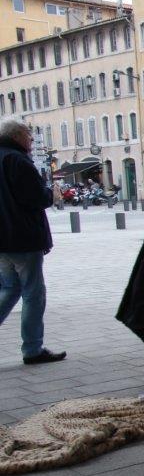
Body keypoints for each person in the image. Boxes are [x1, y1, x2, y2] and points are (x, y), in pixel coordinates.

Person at [0, 118, 66, 365]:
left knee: (9, 289)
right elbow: (36, 197)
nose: (30, 140)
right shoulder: (17, 160)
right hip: (23, 238)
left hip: (3, 239)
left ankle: (32, 347)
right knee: (33, 293)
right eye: (28, 136)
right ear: (18, 137)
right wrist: (51, 193)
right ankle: (32, 349)